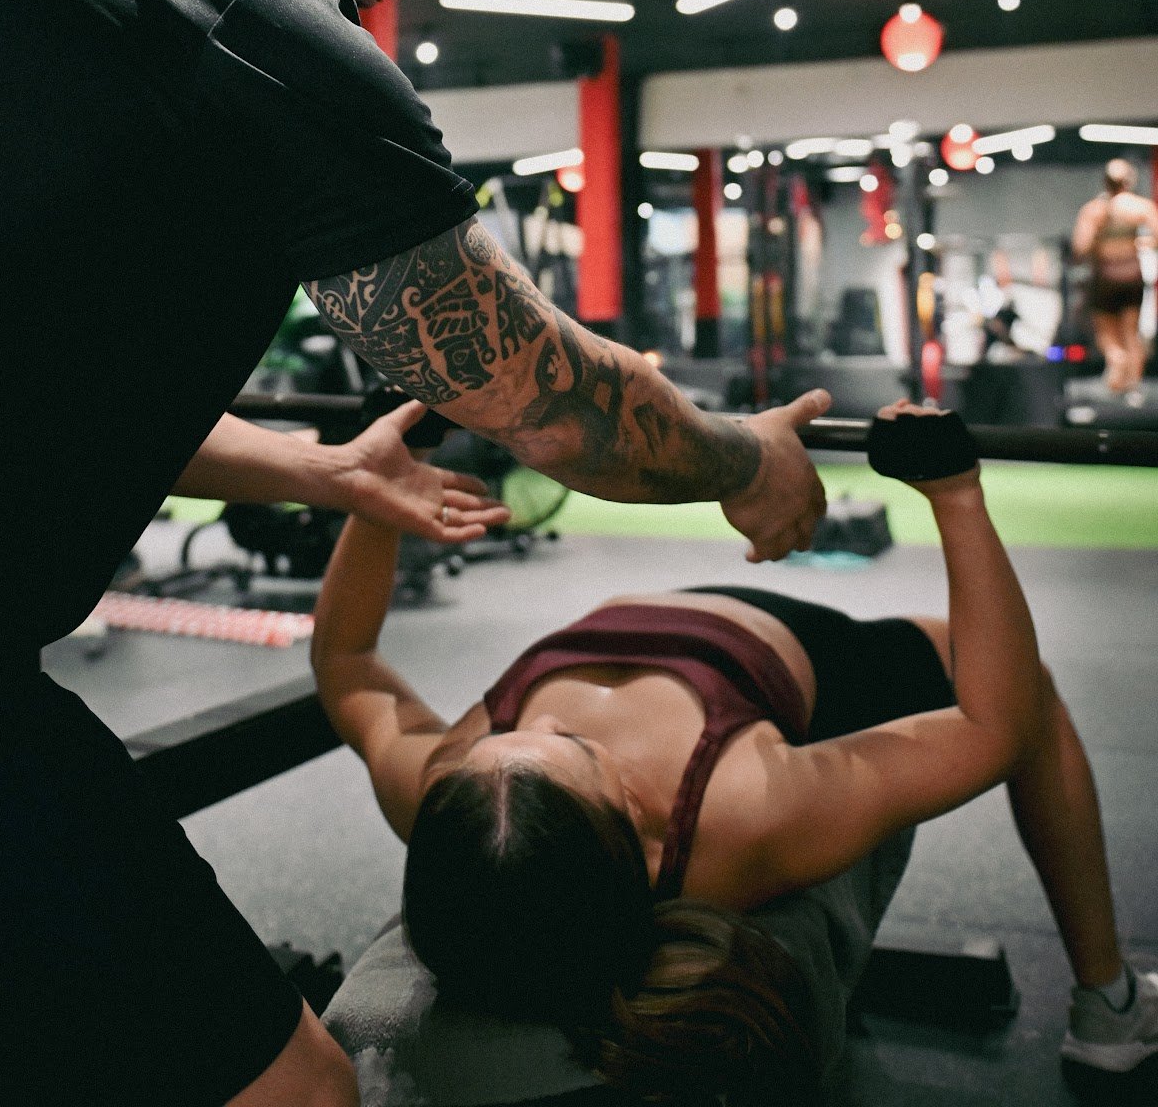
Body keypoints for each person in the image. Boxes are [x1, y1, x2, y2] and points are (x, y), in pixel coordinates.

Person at [0, 0, 826, 1106]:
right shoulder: (249, 0)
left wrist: (324, 477)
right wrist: (741, 460)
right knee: (300, 1094)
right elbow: (539, 400)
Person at [311, 400, 1158, 1100]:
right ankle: (1108, 1008)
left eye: (514, 737)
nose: (548, 726)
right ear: (639, 840)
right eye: (574, 749)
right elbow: (994, 727)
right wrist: (955, 493)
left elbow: (345, 663)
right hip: (804, 658)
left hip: (686, 623)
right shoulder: (742, 811)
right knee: (1036, 691)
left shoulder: (449, 791)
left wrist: (376, 493)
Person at [1072, 158, 1158, 393]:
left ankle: (1116, 359)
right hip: (1131, 274)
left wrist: (1101, 243)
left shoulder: (1094, 210)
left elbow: (1080, 246)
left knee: (1106, 330)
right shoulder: (1139, 207)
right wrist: (1141, 242)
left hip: (1106, 275)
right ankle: (1132, 381)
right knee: (1131, 330)